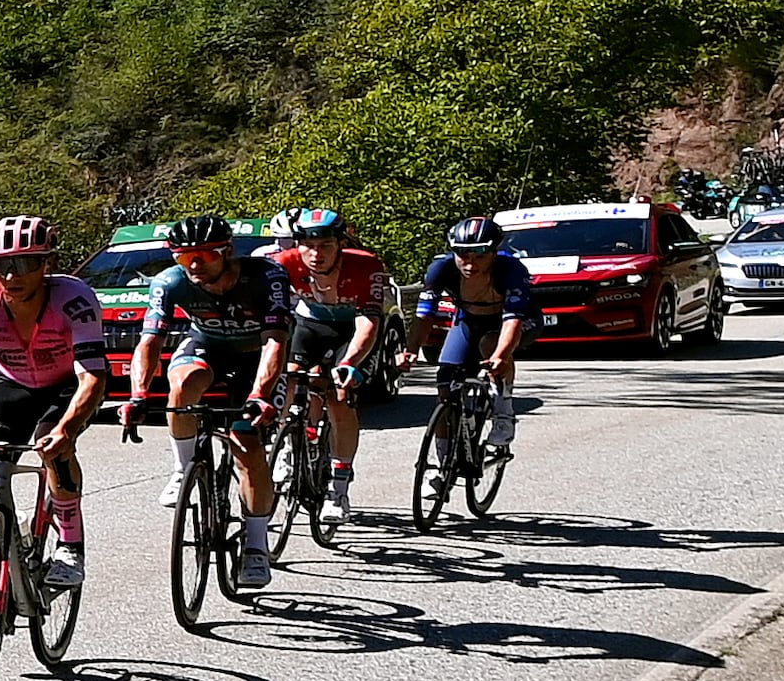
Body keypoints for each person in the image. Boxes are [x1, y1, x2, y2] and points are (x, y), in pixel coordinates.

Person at [123, 209, 298, 589]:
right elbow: (149, 342)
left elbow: (274, 343)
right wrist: (137, 395)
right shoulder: (169, 283)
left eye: (206, 255)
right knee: (182, 386)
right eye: (185, 257)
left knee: (246, 443)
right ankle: (183, 469)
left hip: (258, 354)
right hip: (209, 344)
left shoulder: (267, 277)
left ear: (228, 251)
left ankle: (255, 545)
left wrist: (259, 396)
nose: (196, 264)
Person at [0, 213, 102, 584]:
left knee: (54, 448)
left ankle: (71, 545)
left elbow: (93, 376)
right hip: (10, 387)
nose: (12, 275)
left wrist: (67, 428)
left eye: (25, 263)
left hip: (64, 388)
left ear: (49, 264)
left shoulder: (74, 298)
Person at [270, 208, 393, 484]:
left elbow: (368, 322)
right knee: (288, 376)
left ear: (341, 244)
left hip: (353, 328)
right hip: (311, 323)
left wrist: (349, 363)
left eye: (325, 245)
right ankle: (286, 445)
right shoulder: (283, 263)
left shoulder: (365, 264)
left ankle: (339, 483)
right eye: (308, 246)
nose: (316, 253)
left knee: (339, 397)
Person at [417, 211, 538, 416]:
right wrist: (410, 350)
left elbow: (513, 320)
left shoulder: (511, 269)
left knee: (491, 345)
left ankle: (503, 411)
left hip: (513, 322)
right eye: (463, 255)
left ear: (494, 252)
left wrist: (501, 356)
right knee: (445, 387)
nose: (470, 264)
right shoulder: (441, 268)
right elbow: (424, 316)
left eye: (480, 256)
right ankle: (445, 447)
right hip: (469, 321)